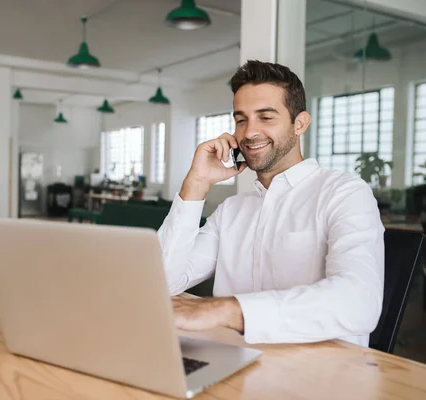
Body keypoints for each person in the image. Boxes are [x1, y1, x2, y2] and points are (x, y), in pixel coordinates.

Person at [157, 60, 384, 347]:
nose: (249, 132)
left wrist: (224, 310)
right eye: (241, 119)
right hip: (233, 360)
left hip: (319, 374)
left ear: (299, 123)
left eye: (266, 117)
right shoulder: (232, 211)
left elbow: (358, 302)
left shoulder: (345, 193)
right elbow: (163, 282)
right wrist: (196, 183)